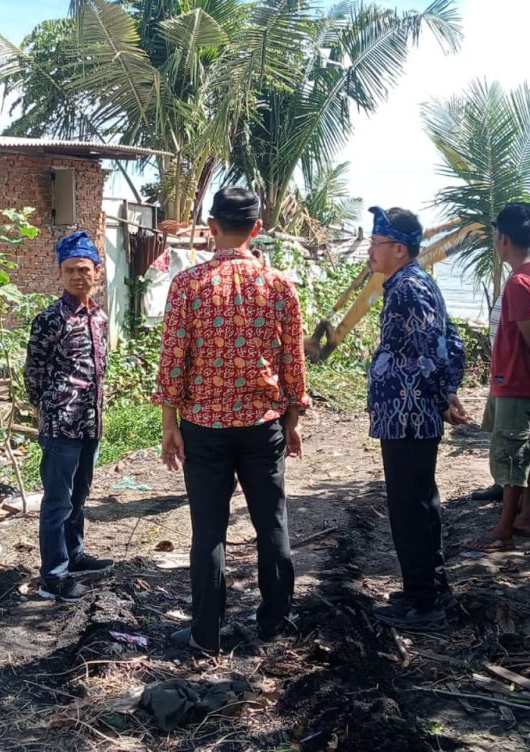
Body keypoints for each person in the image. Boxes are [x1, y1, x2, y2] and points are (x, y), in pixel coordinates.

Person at [153, 186, 309, 654]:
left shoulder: (188, 285)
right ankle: (275, 623)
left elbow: (173, 359)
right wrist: (293, 420)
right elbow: (293, 363)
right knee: (272, 523)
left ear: (211, 227)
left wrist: (169, 424)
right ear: (257, 228)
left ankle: (205, 633)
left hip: (205, 426)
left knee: (208, 530)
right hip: (263, 425)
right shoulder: (279, 286)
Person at [365, 206, 468, 632]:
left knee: (409, 508)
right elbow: (452, 341)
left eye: (376, 244)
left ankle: (423, 603)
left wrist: (443, 396)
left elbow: (432, 352)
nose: (370, 251)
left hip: (409, 415)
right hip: (408, 413)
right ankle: (428, 589)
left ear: (399, 249)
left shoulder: (408, 289)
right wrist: (447, 391)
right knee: (421, 502)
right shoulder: (413, 283)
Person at [24, 231, 114, 602]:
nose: (78, 276)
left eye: (84, 269)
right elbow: (33, 372)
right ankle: (54, 576)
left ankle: (74, 555)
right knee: (57, 502)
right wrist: (46, 409)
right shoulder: (50, 319)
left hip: (91, 422)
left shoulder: (100, 317)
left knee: (79, 496)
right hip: (61, 426)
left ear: (97, 272)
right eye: (70, 270)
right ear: (60, 274)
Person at [469, 203, 530, 552]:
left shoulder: (520, 281)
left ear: (503, 238)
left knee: (510, 457)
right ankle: (527, 517)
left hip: (517, 382)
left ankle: (503, 530)